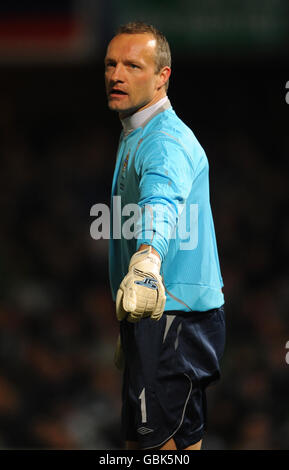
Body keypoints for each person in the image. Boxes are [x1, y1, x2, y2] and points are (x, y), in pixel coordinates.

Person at [104, 22, 225, 451]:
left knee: (158, 450)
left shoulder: (164, 140)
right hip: (164, 316)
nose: (117, 74)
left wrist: (147, 263)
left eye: (133, 65)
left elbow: (162, 200)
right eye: (112, 64)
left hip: (172, 317)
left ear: (162, 76)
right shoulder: (137, 130)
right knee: (161, 446)